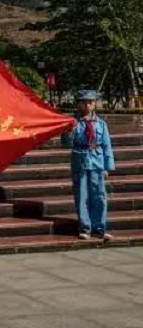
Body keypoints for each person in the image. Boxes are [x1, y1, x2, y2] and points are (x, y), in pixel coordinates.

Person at [62, 89, 114, 241]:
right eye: (84, 102)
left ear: (94, 104)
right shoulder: (73, 122)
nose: (88, 105)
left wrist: (107, 166)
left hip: (97, 161)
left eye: (91, 102)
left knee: (99, 196)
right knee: (82, 195)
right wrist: (69, 131)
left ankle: (99, 228)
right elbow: (66, 143)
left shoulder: (101, 123)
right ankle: (85, 228)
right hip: (81, 160)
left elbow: (106, 145)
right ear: (79, 104)